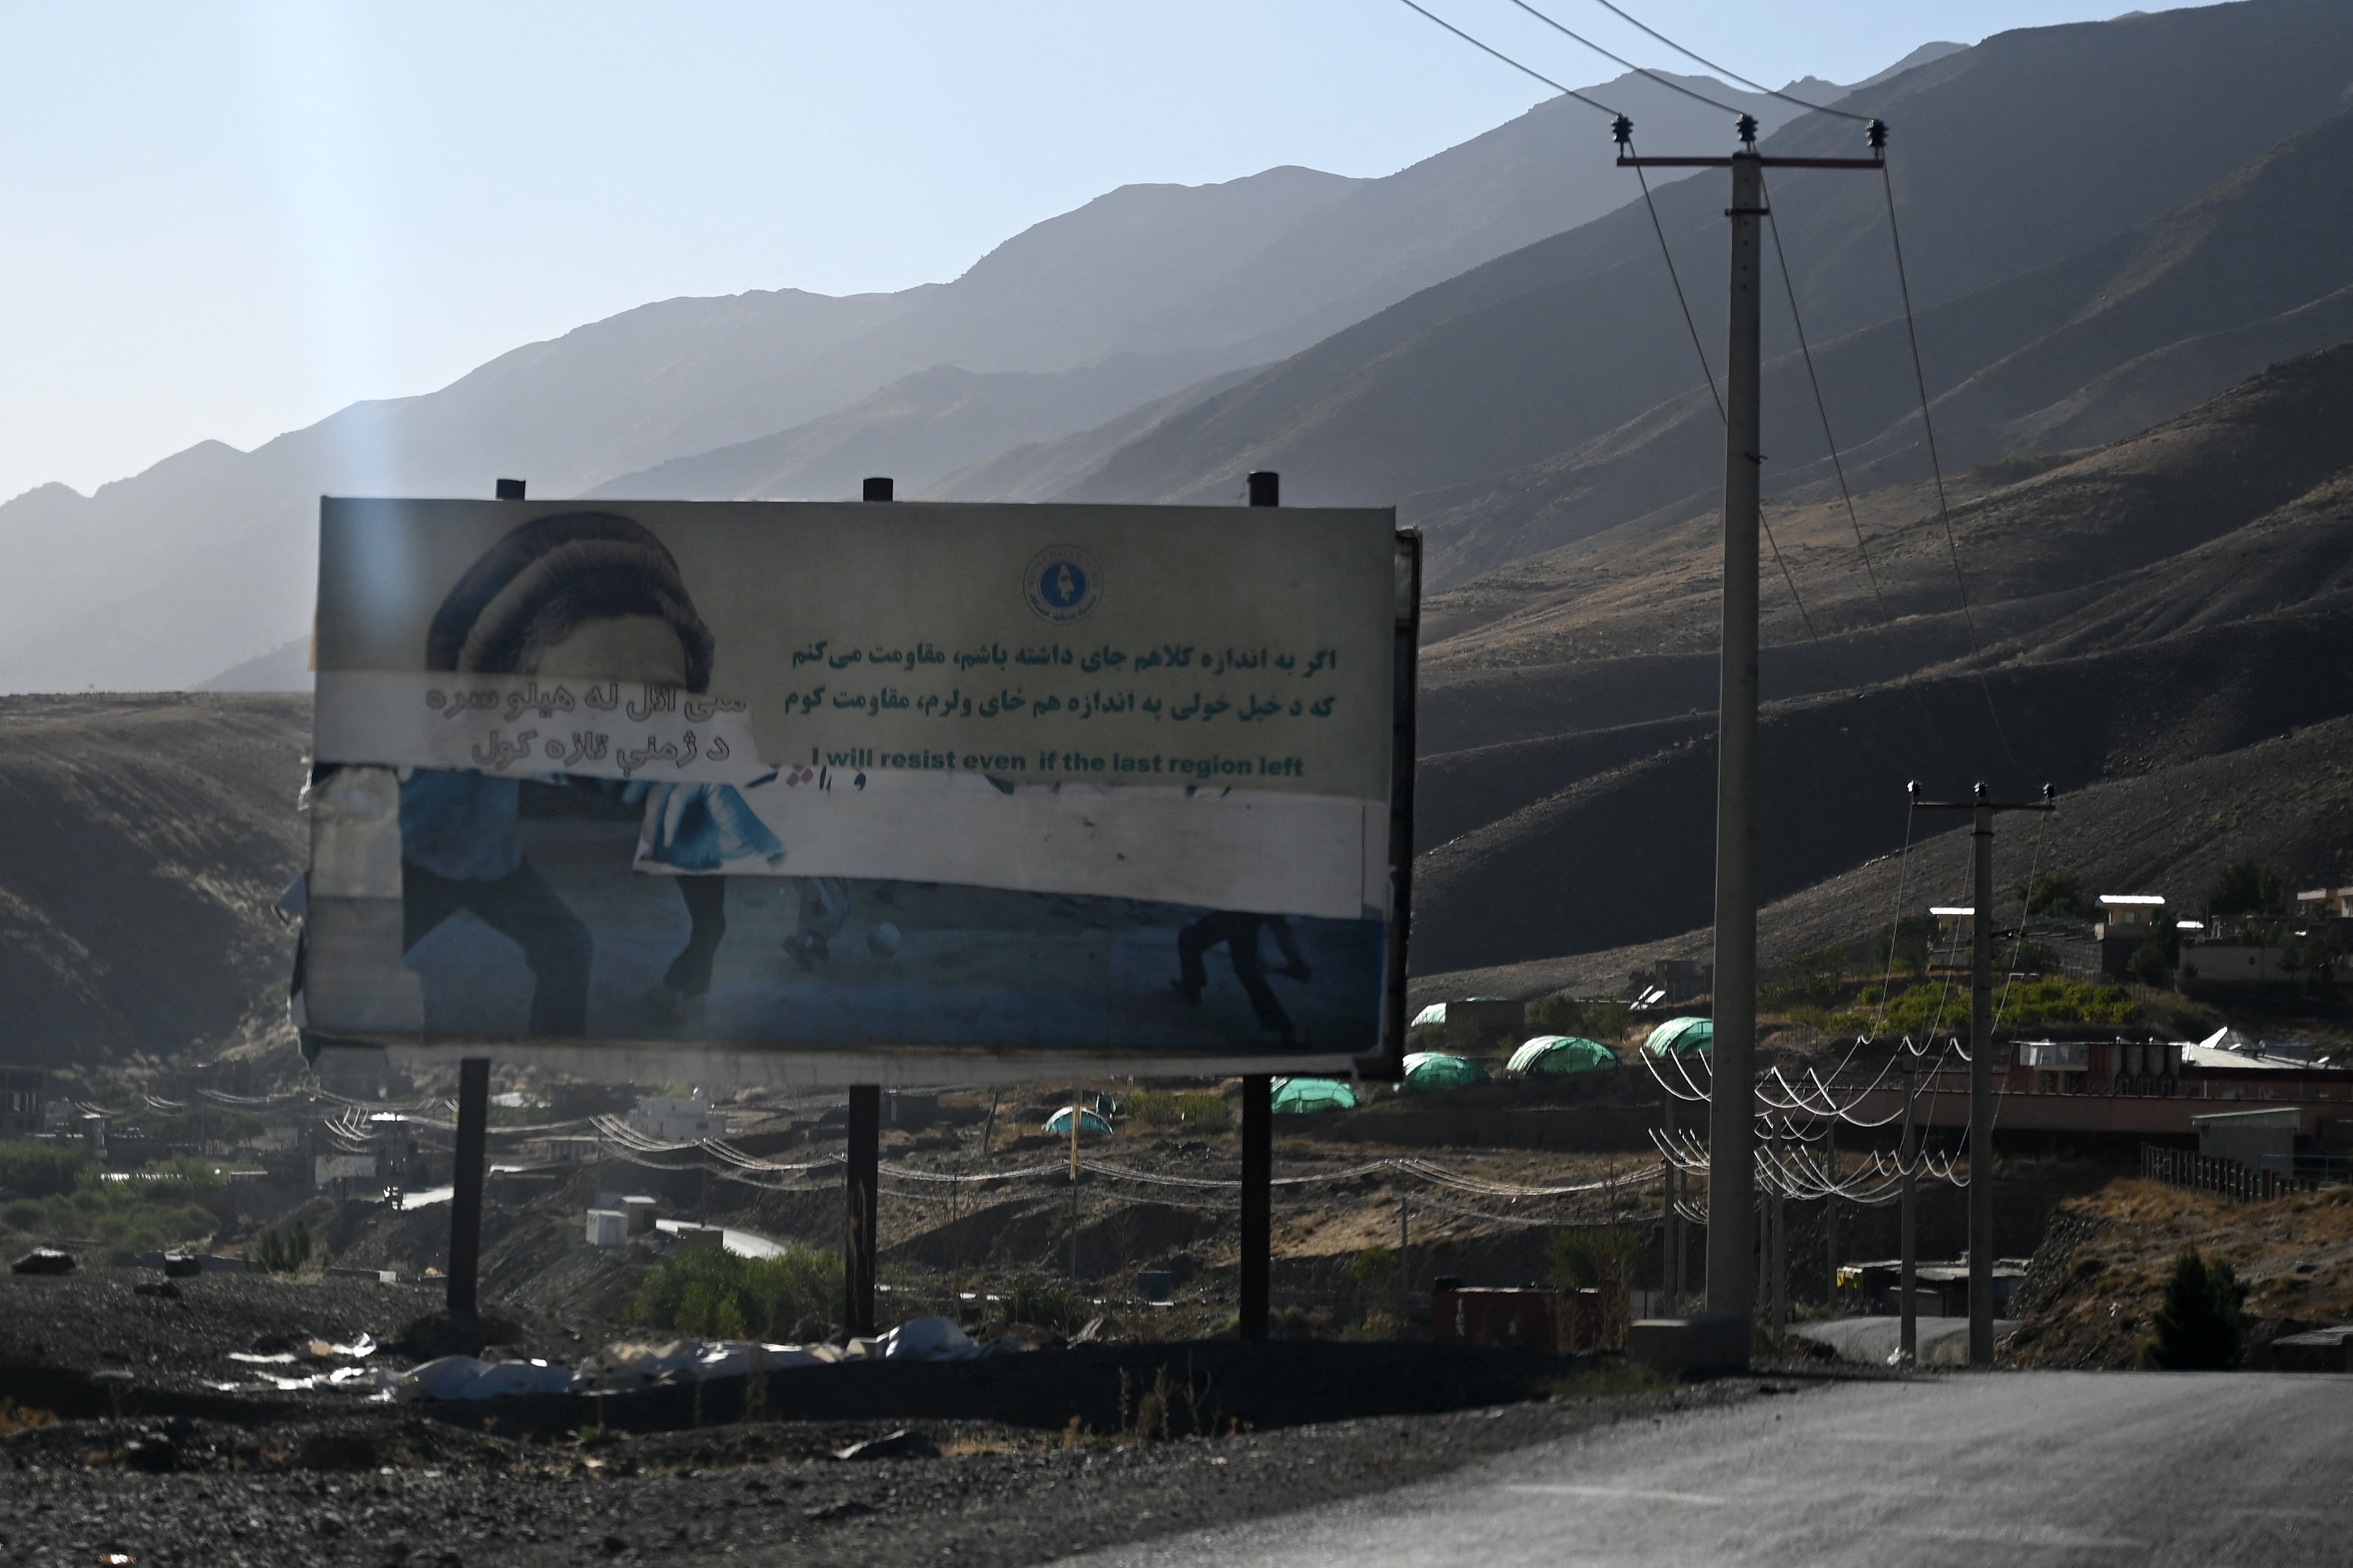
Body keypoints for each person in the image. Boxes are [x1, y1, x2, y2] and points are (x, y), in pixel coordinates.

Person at [402, 510, 776, 1031]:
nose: (632, 728)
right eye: (593, 701)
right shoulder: (453, 756)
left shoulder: (667, 757)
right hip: (425, 863)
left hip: (498, 867)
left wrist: (703, 948)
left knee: (568, 950)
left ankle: (557, 1061)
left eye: (660, 698)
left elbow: (702, 819)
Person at [1171, 911, 1313, 1045]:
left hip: (1239, 915)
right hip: (1242, 915)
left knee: (1247, 969)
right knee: (1190, 939)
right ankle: (1191, 988)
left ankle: (1285, 1029)